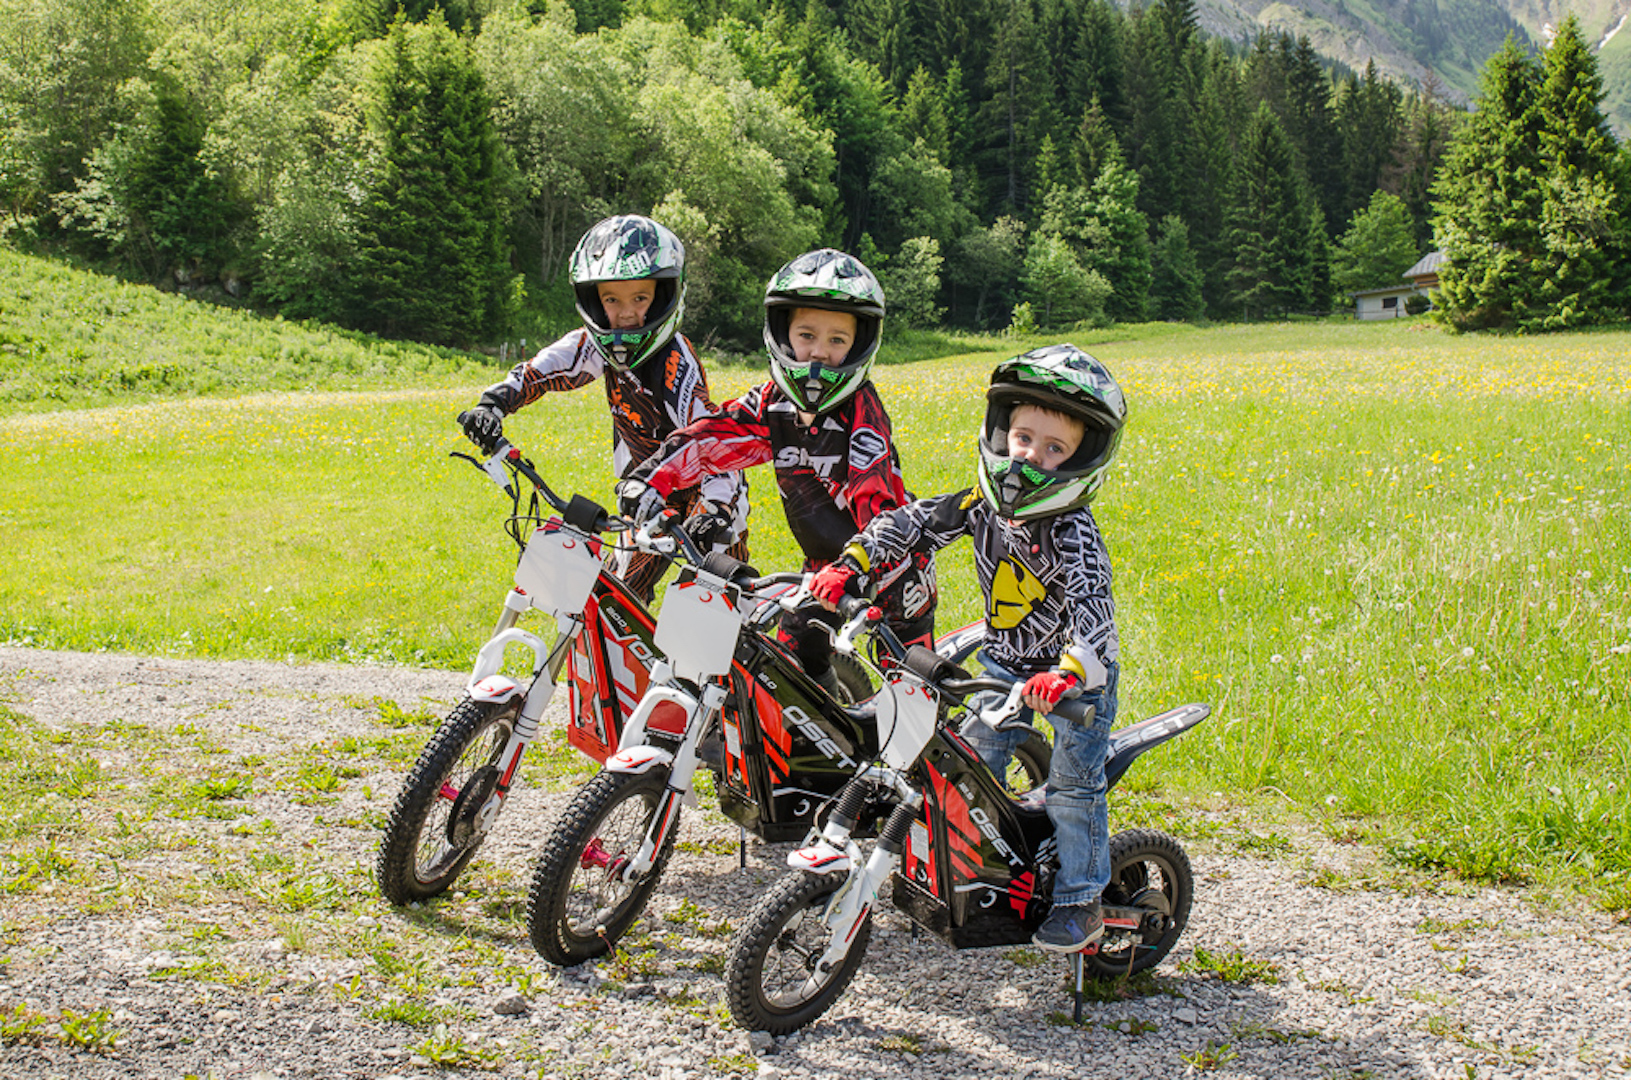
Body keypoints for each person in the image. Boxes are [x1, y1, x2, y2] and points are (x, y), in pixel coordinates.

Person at [809, 343, 1126, 952]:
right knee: (960, 764)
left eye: (1054, 449)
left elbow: (1094, 612)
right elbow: (913, 523)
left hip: (1074, 684)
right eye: (1022, 437)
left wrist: (1070, 671)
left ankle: (1081, 898)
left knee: (1072, 786)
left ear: (1082, 460)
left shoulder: (1073, 532)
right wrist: (854, 562)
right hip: (1006, 664)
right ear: (999, 432)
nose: (1029, 456)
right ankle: (972, 871)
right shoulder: (980, 506)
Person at [618, 248, 936, 698]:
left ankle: (931, 762)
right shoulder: (774, 403)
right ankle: (832, 732)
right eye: (806, 335)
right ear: (782, 335)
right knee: (786, 671)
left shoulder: (862, 415)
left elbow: (878, 501)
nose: (819, 353)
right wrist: (652, 477)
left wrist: (857, 564)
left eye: (837, 341)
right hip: (821, 572)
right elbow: (714, 435)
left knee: (909, 698)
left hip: (892, 573)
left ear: (860, 344)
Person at [458, 214, 748, 603]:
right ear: (595, 302)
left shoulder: (675, 364)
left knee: (714, 606)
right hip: (646, 493)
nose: (625, 313)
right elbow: (545, 368)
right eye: (612, 300)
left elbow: (714, 445)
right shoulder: (599, 346)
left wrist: (715, 510)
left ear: (663, 296)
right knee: (617, 599)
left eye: (640, 299)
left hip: (708, 494)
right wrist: (493, 405)